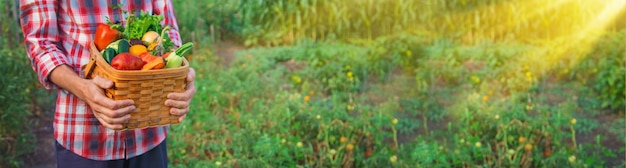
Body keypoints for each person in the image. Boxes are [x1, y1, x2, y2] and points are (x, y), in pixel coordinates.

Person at [19, 0, 196, 167]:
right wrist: (83, 89)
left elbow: (168, 29)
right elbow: (41, 45)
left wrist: (179, 74)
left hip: (150, 132)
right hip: (85, 134)